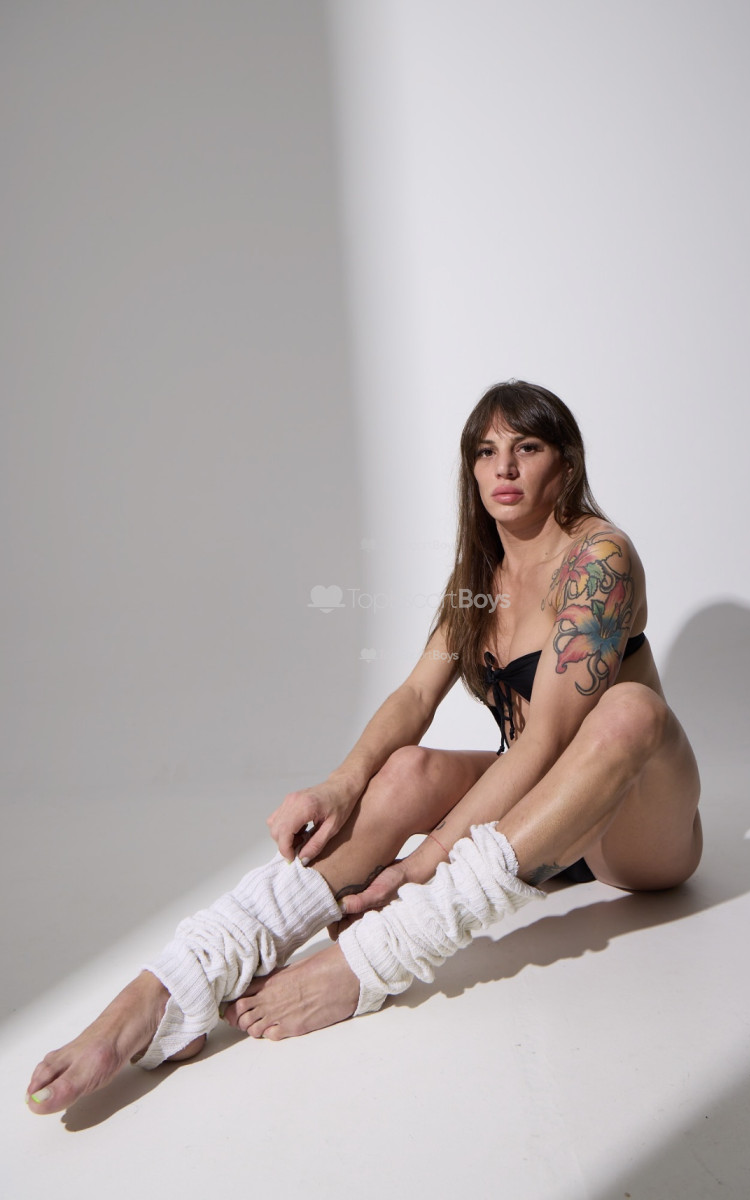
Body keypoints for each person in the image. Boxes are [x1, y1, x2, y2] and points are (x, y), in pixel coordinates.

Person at [26, 380, 702, 1114]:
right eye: (485, 452)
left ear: (564, 463)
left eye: (527, 447)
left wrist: (423, 863)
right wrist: (341, 785)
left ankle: (375, 960)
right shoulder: (482, 580)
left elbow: (546, 741)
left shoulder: (598, 559)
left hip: (627, 831)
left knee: (628, 711)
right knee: (406, 769)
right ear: (471, 471)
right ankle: (175, 983)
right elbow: (415, 697)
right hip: (526, 820)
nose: (504, 468)